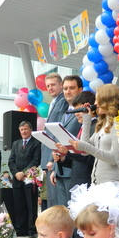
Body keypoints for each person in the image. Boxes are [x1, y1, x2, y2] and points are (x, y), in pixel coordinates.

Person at [71, 84, 119, 185]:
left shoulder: (118, 124)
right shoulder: (103, 124)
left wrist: (86, 147)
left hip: (113, 185)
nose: (95, 103)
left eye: (97, 100)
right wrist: (86, 120)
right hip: (97, 183)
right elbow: (84, 150)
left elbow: (114, 158)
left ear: (108, 101)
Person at [49, 75, 83, 206]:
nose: (67, 91)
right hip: (60, 170)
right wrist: (55, 168)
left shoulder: (84, 113)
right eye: (65, 88)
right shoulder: (64, 113)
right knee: (63, 213)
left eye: (72, 88)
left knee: (74, 212)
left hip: (75, 170)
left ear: (80, 90)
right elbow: (59, 140)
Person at [54, 91, 97, 189]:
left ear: (90, 109)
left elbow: (92, 158)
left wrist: (68, 153)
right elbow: (77, 161)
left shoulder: (96, 127)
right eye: (75, 111)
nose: (76, 114)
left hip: (88, 182)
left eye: (79, 110)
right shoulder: (82, 128)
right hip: (76, 181)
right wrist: (63, 158)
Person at [40, 73, 70, 210]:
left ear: (60, 85)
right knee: (51, 201)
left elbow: (58, 132)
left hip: (55, 157)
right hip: (49, 157)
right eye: (48, 86)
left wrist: (52, 159)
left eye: (53, 85)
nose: (50, 88)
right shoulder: (54, 102)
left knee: (57, 202)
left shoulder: (63, 101)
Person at [8, 121, 41, 237]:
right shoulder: (16, 144)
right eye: (21, 130)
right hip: (17, 179)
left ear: (30, 130)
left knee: (31, 205)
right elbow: (11, 161)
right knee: (18, 205)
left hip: (30, 178)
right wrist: (16, 173)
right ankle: (20, 229)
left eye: (26, 129)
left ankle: (32, 230)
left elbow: (36, 160)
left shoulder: (36, 143)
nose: (23, 131)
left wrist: (24, 172)